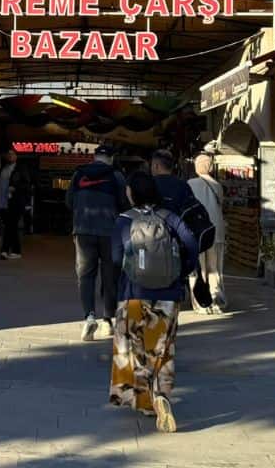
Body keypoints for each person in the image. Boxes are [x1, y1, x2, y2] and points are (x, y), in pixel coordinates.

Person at [110, 171, 198, 433]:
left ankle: (145, 400)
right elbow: (192, 245)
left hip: (133, 293)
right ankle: (161, 394)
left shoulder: (124, 221)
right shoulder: (169, 217)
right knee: (162, 347)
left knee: (134, 347)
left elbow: (115, 258)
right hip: (168, 295)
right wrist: (180, 273)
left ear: (133, 193)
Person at [66, 144, 128, 341]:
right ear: (110, 158)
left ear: (94, 157)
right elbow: (124, 204)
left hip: (83, 231)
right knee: (110, 276)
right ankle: (107, 320)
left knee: (85, 276)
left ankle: (89, 317)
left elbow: (68, 201)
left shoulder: (78, 175)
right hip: (110, 233)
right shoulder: (116, 176)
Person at [187, 154, 226, 313]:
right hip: (215, 231)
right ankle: (216, 299)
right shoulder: (217, 185)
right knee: (214, 268)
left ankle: (200, 303)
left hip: (197, 232)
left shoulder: (190, 184)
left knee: (198, 269)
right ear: (210, 167)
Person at [0, 150, 26, 259]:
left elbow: (26, 184)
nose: (10, 156)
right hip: (3, 203)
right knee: (10, 227)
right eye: (8, 154)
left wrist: (15, 188)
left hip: (15, 203)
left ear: (16, 156)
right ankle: (15, 251)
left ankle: (5, 250)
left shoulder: (20, 169)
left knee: (10, 226)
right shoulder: (3, 168)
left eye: (12, 154)